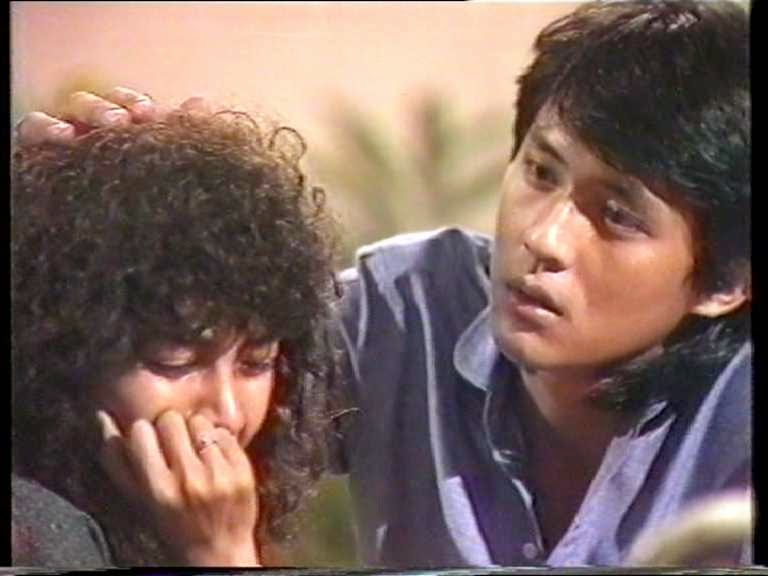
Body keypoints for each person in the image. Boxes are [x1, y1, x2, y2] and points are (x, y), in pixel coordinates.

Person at [16, 0, 751, 568]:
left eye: (616, 216)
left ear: (725, 281)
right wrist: (76, 200)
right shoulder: (402, 310)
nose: (545, 238)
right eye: (540, 172)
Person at [11, 110, 338, 566]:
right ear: (56, 352)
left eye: (256, 363)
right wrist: (220, 555)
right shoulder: (36, 534)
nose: (227, 412)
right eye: (174, 360)